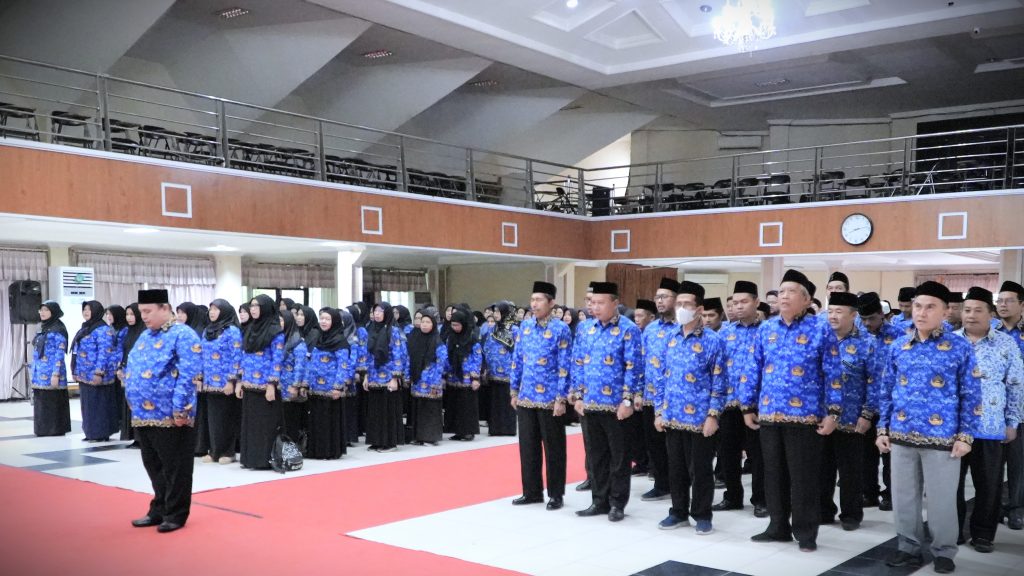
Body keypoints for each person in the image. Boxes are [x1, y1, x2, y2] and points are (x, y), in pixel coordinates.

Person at [877, 281, 982, 574]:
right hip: (901, 434)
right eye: (918, 306)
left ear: (946, 311)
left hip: (943, 437)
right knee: (904, 497)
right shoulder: (899, 345)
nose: (921, 313)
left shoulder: (959, 347)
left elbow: (971, 394)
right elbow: (886, 390)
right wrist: (882, 429)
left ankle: (944, 551)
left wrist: (965, 436)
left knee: (941, 500)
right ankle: (907, 547)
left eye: (930, 307)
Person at [741, 270, 841, 552]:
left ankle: (806, 532)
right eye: (781, 291)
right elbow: (753, 368)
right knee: (773, 475)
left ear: (807, 299)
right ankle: (777, 527)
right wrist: (747, 406)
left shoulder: (821, 329)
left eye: (791, 291)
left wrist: (833, 412)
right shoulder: (766, 329)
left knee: (804, 478)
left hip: (806, 417)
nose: (784, 296)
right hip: (770, 415)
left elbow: (833, 374)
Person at [125, 288, 202, 533]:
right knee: (153, 464)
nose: (144, 317)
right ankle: (158, 508)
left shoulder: (183, 334)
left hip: (170, 414)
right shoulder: (145, 336)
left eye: (148, 311)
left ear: (165, 308)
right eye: (141, 312)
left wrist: (182, 409)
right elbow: (133, 367)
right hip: (144, 414)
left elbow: (189, 373)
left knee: (175, 466)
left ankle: (176, 513)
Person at [652, 281, 726, 535]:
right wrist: (659, 412)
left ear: (699, 309)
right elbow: (661, 378)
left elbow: (720, 382)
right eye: (679, 303)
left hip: (700, 418)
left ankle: (702, 514)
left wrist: (713, 416)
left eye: (686, 304)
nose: (681, 308)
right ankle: (678, 511)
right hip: (672, 416)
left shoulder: (713, 341)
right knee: (676, 469)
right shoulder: (670, 338)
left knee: (701, 470)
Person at [955, 287, 1023, 553]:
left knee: (989, 485)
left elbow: (1016, 385)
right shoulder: (949, 342)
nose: (971, 316)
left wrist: (1012, 422)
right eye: (967, 310)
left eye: (978, 310)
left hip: (991, 426)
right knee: (952, 485)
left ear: (990, 314)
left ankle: (983, 533)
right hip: (953, 428)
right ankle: (954, 530)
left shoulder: (1005, 344)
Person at [571, 282, 643, 522]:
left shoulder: (628, 329)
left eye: (601, 303)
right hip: (590, 403)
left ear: (615, 303)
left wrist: (628, 400)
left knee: (619, 457)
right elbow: (578, 363)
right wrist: (578, 395)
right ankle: (598, 500)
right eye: (592, 302)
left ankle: (617, 503)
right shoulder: (585, 329)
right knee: (596, 455)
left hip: (616, 406)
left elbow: (633, 367)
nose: (595, 307)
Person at [820, 291, 881, 531]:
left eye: (839, 312)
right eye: (830, 311)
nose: (833, 316)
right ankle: (824, 510)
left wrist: (867, 414)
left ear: (853, 315)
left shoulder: (866, 343)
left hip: (852, 418)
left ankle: (851, 514)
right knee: (821, 468)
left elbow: (875, 381)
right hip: (822, 417)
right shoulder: (820, 338)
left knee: (851, 471)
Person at [510, 281, 573, 510]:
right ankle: (532, 491)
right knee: (528, 447)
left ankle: (556, 494)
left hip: (550, 399)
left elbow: (565, 366)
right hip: (526, 396)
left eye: (539, 300)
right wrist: (514, 390)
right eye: (532, 299)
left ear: (551, 302)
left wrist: (561, 398)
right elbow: (517, 360)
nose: (534, 304)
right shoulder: (524, 327)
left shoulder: (560, 329)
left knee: (554, 448)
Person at [715, 281, 767, 517]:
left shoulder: (767, 330)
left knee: (758, 456)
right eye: (735, 302)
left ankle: (761, 499)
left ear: (756, 302)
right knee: (728, 453)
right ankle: (732, 497)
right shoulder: (725, 331)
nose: (738, 306)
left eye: (744, 302)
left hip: (756, 405)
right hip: (729, 403)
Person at [857, 292, 903, 512]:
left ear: (882, 315)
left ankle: (891, 494)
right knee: (866, 455)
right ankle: (869, 492)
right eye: (863, 319)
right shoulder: (858, 336)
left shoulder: (899, 337)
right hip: (863, 406)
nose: (867, 324)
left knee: (890, 455)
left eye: (871, 319)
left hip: (891, 407)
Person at [639, 279, 678, 503]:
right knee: (654, 444)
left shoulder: (684, 328)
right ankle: (661, 484)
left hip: (675, 398)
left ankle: (680, 483)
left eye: (665, 297)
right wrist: (637, 393)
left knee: (675, 446)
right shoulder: (651, 329)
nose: (660, 301)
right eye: (657, 297)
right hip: (650, 397)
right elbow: (642, 360)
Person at [236, 294, 285, 470]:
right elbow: (243, 356)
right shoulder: (250, 329)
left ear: (265, 308)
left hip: (265, 386)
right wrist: (240, 381)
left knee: (265, 425)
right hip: (249, 384)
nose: (253, 309)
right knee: (250, 424)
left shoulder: (275, 331)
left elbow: (277, 359)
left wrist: (272, 384)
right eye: (252, 305)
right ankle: (250, 459)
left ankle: (264, 459)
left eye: (257, 306)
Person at [198, 299, 243, 464]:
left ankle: (228, 452)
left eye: (216, 309)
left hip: (225, 382)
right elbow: (202, 355)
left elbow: (236, 356)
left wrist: (232, 380)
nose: (212, 312)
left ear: (224, 311)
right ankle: (214, 451)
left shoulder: (232, 331)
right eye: (211, 309)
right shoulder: (207, 331)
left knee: (226, 418)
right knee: (212, 418)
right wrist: (200, 378)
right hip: (210, 382)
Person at [995, 280, 1024, 530]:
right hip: (992, 408)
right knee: (991, 464)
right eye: (999, 301)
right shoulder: (991, 331)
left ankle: (1016, 508)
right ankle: (991, 508)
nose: (1002, 305)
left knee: (1018, 463)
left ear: (1021, 305)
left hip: (1021, 408)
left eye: (1008, 300)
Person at [306, 308, 353, 460]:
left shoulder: (340, 341)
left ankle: (329, 451)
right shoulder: (318, 338)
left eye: (327, 319)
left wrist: (338, 387)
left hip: (331, 389)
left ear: (335, 322)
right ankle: (316, 450)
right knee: (316, 421)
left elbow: (343, 366)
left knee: (328, 421)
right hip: (315, 388)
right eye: (321, 318)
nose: (323, 322)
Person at [364, 302, 409, 452]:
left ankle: (389, 442)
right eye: (375, 310)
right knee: (375, 411)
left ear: (387, 313)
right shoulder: (370, 329)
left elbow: (398, 355)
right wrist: (366, 377)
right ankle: (376, 440)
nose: (376, 314)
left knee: (387, 411)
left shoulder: (393, 331)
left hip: (388, 376)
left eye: (380, 311)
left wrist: (395, 377)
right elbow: (368, 356)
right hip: (373, 375)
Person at [73, 300, 118, 442]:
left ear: (97, 311)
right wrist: (75, 370)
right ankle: (91, 432)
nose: (86, 312)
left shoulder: (103, 330)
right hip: (84, 374)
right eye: (84, 309)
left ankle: (100, 433)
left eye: (89, 309)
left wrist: (99, 372)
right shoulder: (86, 328)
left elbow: (104, 353)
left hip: (97, 375)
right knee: (87, 405)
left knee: (98, 405)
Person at [627, 298, 657, 477]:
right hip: (638, 390)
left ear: (651, 317)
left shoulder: (653, 334)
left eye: (641, 315)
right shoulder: (635, 333)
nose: (637, 319)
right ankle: (641, 462)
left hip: (653, 392)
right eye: (635, 315)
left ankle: (653, 466)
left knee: (652, 434)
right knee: (637, 432)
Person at [408, 307, 447, 445]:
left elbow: (441, 363)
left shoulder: (437, 341)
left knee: (430, 409)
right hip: (417, 380)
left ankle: (431, 437)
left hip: (431, 382)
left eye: (428, 322)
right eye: (422, 321)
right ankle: (418, 436)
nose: (424, 324)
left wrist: (436, 382)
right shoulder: (416, 339)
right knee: (419, 408)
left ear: (433, 324)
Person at [31, 301, 71, 437]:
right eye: (41, 310)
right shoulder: (42, 328)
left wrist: (56, 374)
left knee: (52, 401)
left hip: (52, 373)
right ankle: (42, 429)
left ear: (53, 312)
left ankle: (54, 429)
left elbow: (59, 354)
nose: (42, 313)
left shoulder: (58, 329)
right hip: (40, 372)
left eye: (46, 310)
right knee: (41, 402)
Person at [446, 307, 484, 441]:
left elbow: (477, 358)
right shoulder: (451, 338)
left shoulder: (472, 338)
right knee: (455, 405)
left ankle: (468, 431)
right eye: (453, 325)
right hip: (454, 377)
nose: (455, 327)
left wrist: (475, 378)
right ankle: (458, 431)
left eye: (457, 325)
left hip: (468, 378)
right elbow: (447, 355)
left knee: (467, 406)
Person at [484, 301, 519, 436]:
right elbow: (487, 346)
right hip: (493, 371)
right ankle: (495, 428)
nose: (496, 315)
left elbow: (518, 350)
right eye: (495, 312)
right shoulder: (493, 328)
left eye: (499, 312)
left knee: (507, 400)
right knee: (495, 401)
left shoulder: (514, 330)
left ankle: (508, 428)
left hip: (508, 371)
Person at [118, 303, 145, 444]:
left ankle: (142, 438)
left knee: (140, 405)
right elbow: (125, 351)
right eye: (127, 314)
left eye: (132, 314)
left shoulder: (144, 332)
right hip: (129, 374)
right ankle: (134, 437)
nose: (129, 317)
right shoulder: (128, 331)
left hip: (141, 375)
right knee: (129, 404)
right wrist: (120, 368)